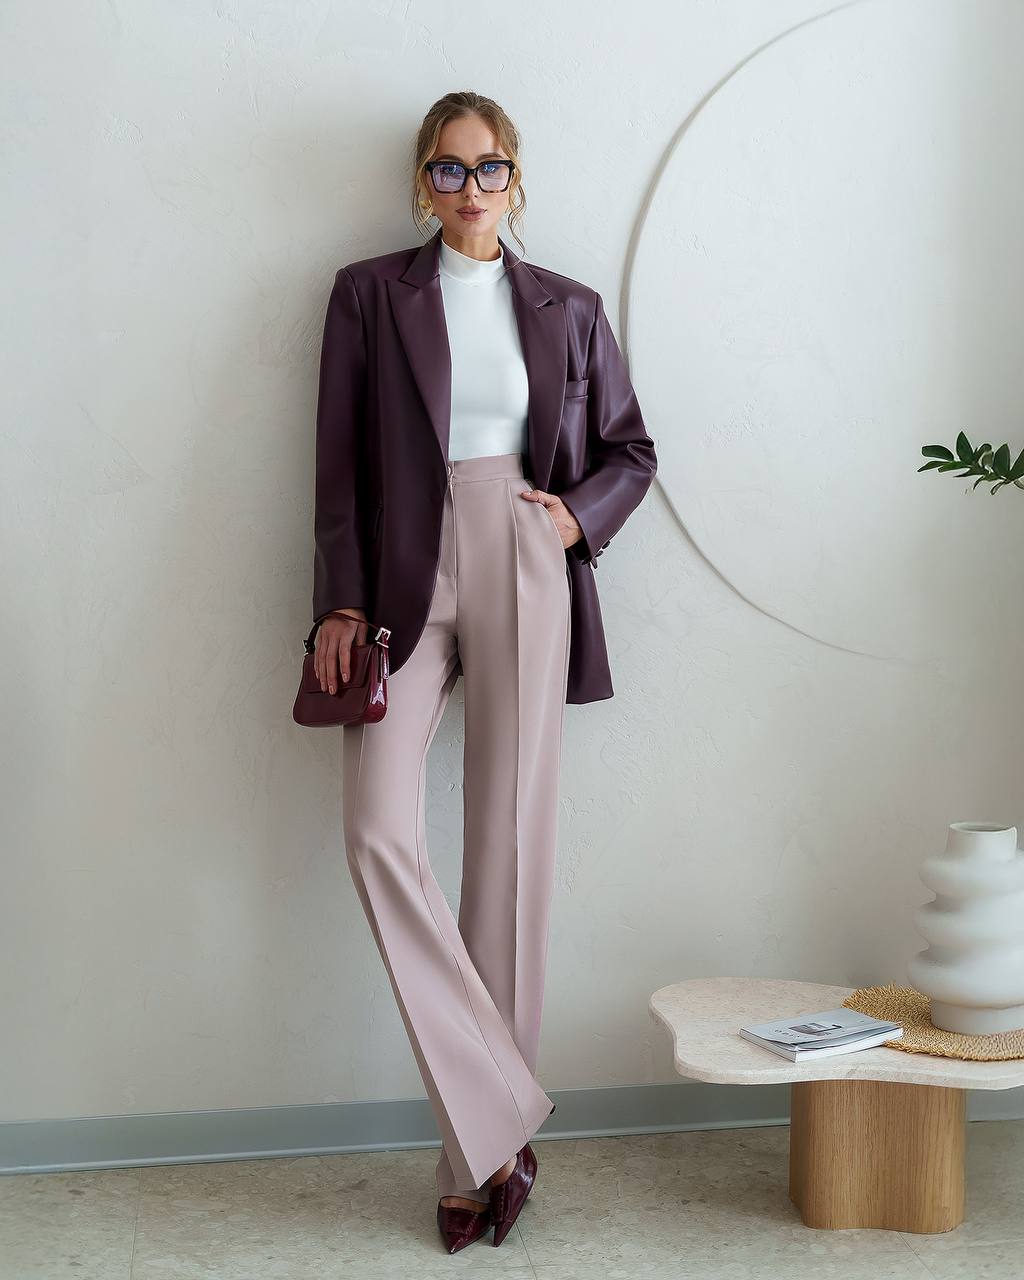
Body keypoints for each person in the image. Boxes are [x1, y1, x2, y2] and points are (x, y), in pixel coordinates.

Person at [309, 91, 657, 1253]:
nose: (469, 187)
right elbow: (336, 465)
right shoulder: (369, 293)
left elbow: (631, 448)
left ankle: (478, 1157)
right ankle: (504, 1101)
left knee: (508, 851)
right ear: (422, 181)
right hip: (402, 575)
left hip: (522, 544)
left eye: (489, 167)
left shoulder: (570, 307)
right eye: (448, 170)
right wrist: (341, 600)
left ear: (516, 179)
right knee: (375, 826)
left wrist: (572, 520)